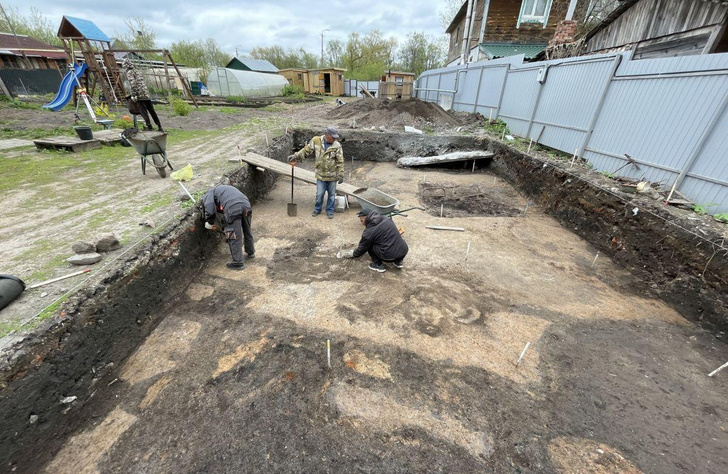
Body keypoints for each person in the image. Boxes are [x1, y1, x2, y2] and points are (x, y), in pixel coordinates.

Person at [288, 126, 344, 219]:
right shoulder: (316, 141)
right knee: (319, 194)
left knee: (331, 195)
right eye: (333, 137)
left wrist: (341, 174)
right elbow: (306, 151)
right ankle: (317, 209)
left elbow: (340, 160)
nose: (334, 139)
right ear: (327, 135)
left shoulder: (337, 145)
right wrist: (295, 156)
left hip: (332, 176)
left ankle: (329, 211)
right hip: (320, 175)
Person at [202, 185, 254, 270]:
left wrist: (209, 222)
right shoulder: (223, 190)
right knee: (247, 229)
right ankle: (250, 252)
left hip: (233, 207)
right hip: (246, 205)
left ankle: (238, 263)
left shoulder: (209, 194)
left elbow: (210, 210)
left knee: (233, 235)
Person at [342, 209, 409, 273]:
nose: (362, 223)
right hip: (403, 251)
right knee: (394, 238)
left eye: (361, 221)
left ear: (366, 219)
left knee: (369, 245)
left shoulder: (369, 232)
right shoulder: (386, 219)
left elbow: (362, 248)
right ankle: (398, 261)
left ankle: (378, 265)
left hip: (388, 256)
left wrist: (353, 254)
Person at [122, 58, 164, 132]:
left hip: (140, 95)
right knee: (152, 111)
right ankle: (159, 126)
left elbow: (133, 84)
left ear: (126, 66)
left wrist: (134, 95)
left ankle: (149, 127)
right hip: (146, 94)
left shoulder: (130, 72)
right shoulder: (138, 71)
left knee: (143, 112)